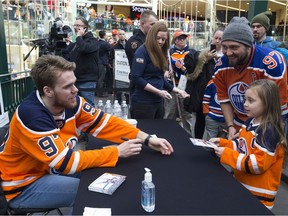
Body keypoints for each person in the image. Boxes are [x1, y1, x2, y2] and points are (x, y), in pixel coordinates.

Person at [0, 55, 174, 210]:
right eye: (68, 86)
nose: (75, 90)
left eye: (74, 83)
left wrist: (146, 138)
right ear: (48, 91)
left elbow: (105, 123)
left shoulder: (70, 101)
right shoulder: (32, 115)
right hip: (24, 186)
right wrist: (116, 152)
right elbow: (65, 163)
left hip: (49, 170)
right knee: (92, 190)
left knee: (109, 176)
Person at [210, 79, 287, 210]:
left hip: (259, 196)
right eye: (245, 99)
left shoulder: (268, 130)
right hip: (244, 186)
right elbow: (243, 147)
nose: (245, 104)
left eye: (251, 101)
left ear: (267, 103)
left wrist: (227, 154)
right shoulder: (250, 122)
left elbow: (258, 164)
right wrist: (225, 144)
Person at [213, 17, 288, 140]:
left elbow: (277, 106)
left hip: (270, 121)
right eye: (224, 47)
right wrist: (231, 126)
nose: (228, 53)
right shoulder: (220, 66)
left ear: (249, 46)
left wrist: (253, 133)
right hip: (239, 121)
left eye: (234, 47)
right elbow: (224, 99)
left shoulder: (271, 62)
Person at [130, 22, 189, 119]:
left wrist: (177, 90)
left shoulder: (160, 53)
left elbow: (160, 78)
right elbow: (136, 78)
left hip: (158, 102)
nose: (161, 42)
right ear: (152, 36)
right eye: (158, 38)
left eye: (163, 39)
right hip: (143, 103)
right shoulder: (142, 52)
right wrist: (158, 92)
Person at [184, 28, 224, 138]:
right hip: (203, 93)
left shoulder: (227, 55)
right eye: (216, 38)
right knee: (200, 121)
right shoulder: (203, 53)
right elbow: (193, 71)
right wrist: (205, 59)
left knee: (216, 124)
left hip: (219, 94)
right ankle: (197, 143)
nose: (217, 41)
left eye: (220, 39)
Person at [68, 16, 99, 107]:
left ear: (85, 28)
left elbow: (85, 48)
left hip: (87, 80)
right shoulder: (77, 42)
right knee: (76, 106)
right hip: (75, 80)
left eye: (78, 25)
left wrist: (78, 37)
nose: (76, 28)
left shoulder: (93, 41)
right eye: (75, 25)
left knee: (88, 106)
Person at [164, 30, 191, 121]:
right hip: (173, 85)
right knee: (169, 113)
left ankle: (187, 135)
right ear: (175, 40)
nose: (182, 40)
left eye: (184, 38)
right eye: (180, 38)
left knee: (187, 115)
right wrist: (166, 70)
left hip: (186, 86)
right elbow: (162, 66)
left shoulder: (191, 52)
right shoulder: (169, 52)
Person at [97, 30, 113, 97]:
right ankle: (100, 93)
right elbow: (111, 49)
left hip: (97, 62)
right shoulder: (105, 44)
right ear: (104, 35)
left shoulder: (97, 43)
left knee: (99, 77)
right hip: (103, 62)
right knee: (102, 78)